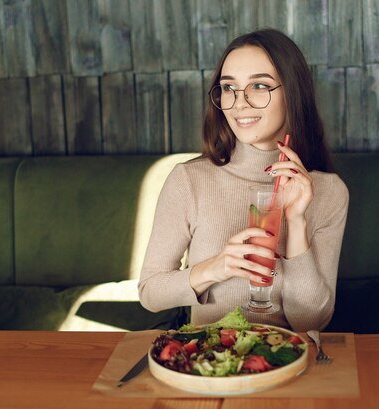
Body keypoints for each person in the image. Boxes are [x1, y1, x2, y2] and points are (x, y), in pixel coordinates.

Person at [139, 29, 349, 331]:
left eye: (259, 85)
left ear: (292, 93)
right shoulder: (188, 179)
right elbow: (150, 292)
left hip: (286, 363)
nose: (240, 103)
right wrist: (216, 267)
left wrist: (297, 221)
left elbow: (311, 321)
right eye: (228, 88)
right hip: (209, 364)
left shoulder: (329, 192)